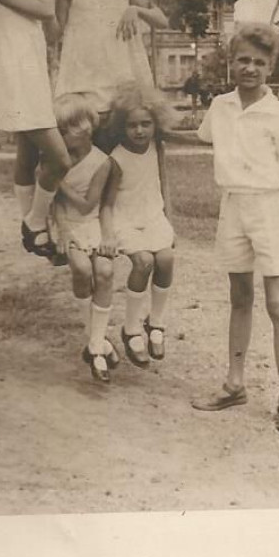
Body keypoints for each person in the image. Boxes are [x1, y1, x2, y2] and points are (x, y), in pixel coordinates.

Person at [178, 22, 279, 435]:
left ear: (270, 66)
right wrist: (148, 124)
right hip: (232, 205)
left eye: (258, 62)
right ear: (230, 62)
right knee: (239, 296)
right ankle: (234, 384)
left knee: (277, 304)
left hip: (269, 209)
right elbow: (201, 139)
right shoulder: (220, 106)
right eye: (242, 60)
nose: (249, 68)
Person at [0, 0, 69, 260]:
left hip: (31, 73)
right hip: (15, 76)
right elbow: (46, 12)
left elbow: (51, 31)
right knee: (59, 158)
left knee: (28, 154)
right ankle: (34, 223)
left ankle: (32, 227)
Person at [55, 0, 168, 141]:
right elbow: (55, 33)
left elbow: (161, 19)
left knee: (115, 150)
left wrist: (137, 10)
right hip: (84, 78)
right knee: (84, 147)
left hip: (117, 79)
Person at [99, 82, 177, 367]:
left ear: (155, 124)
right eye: (132, 125)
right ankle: (131, 327)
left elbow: (162, 185)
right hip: (126, 220)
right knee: (143, 262)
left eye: (146, 124)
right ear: (122, 127)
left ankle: (155, 323)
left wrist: (170, 221)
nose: (140, 131)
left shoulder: (157, 147)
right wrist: (107, 235)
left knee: (166, 258)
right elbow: (106, 204)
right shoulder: (117, 158)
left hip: (153, 217)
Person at [50, 93, 120, 384]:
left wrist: (57, 183)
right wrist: (62, 228)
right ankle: (98, 342)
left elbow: (89, 204)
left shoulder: (102, 163)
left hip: (90, 221)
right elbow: (52, 203)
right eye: (59, 130)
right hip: (66, 223)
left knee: (104, 271)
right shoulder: (57, 158)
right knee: (81, 270)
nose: (62, 136)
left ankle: (95, 346)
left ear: (85, 128)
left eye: (66, 130)